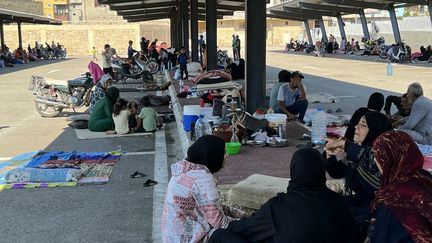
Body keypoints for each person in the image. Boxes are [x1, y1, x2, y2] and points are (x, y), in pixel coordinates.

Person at [209, 148, 361, 243]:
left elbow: (241, 229)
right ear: (320, 171)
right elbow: (355, 238)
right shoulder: (339, 203)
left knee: (220, 235)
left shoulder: (278, 205)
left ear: (294, 172)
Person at [324, 111, 392, 239]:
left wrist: (345, 145)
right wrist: (330, 156)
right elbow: (338, 172)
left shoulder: (381, 157)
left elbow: (370, 159)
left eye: (363, 125)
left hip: (379, 211)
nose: (356, 127)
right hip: (360, 204)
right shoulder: (359, 151)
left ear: (375, 130)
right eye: (357, 123)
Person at [161, 135, 232, 242]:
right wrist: (246, 222)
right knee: (233, 235)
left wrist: (241, 214)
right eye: (223, 153)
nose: (227, 156)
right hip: (188, 238)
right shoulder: (202, 178)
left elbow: (212, 207)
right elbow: (220, 222)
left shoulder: (184, 168)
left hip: (171, 237)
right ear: (212, 155)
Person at [369, 131, 432, 243]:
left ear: (388, 160)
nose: (376, 162)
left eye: (378, 157)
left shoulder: (393, 200)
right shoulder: (425, 177)